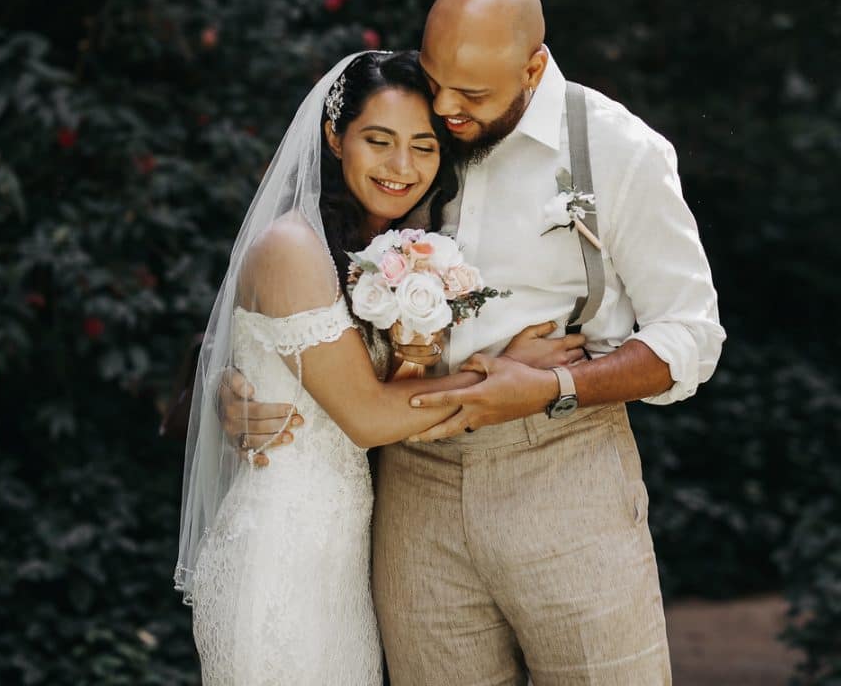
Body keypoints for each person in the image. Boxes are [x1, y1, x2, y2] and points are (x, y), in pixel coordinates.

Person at [240, 0, 726, 685]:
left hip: (563, 473)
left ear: (533, 66)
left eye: (471, 95)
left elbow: (692, 335)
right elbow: (308, 280)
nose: (445, 108)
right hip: (412, 485)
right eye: (436, 80)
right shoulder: (409, 137)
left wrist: (553, 385)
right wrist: (241, 380)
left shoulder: (619, 151)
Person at [176, 50, 582, 686]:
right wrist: (511, 374)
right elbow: (367, 417)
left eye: (423, 146)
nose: (402, 167)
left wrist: (419, 355)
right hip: (281, 561)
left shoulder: (380, 251)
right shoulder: (292, 247)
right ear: (336, 138)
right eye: (379, 140)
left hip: (340, 563)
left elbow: (371, 403)